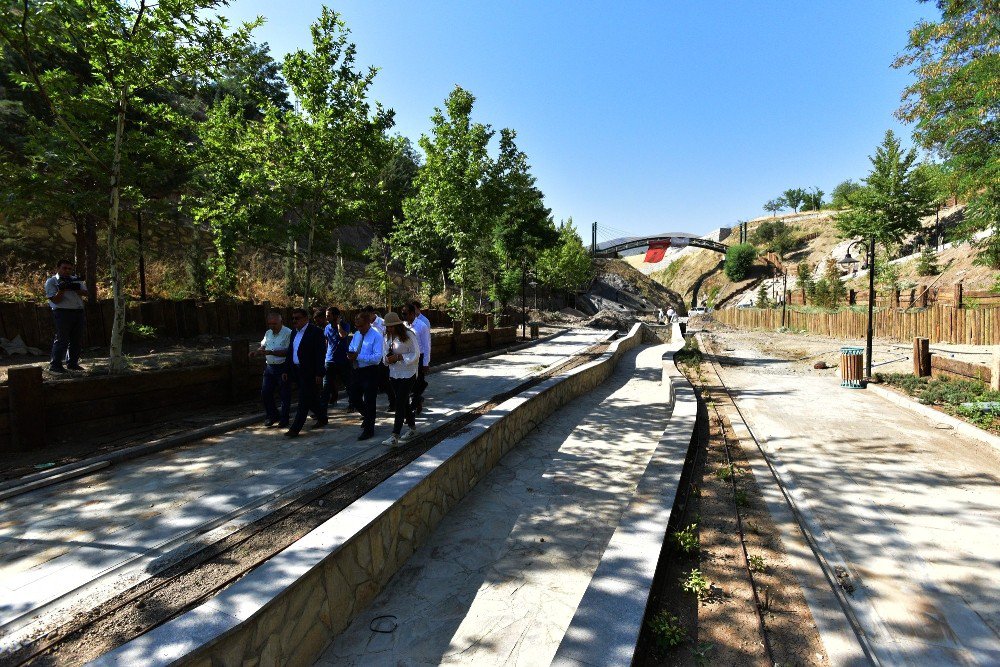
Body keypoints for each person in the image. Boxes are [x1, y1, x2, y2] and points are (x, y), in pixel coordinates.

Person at [282, 308, 326, 437]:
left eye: (298, 318)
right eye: (293, 318)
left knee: (303, 399)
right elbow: (290, 352)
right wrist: (286, 369)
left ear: (306, 318)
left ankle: (295, 428)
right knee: (311, 398)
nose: (295, 320)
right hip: (296, 370)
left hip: (310, 372)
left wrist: (319, 372)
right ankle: (322, 417)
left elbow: (320, 354)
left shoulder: (316, 332)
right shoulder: (294, 333)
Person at [381, 311, 419, 447]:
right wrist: (388, 359)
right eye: (388, 327)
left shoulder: (409, 335)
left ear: (397, 325)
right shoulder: (387, 337)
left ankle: (394, 435)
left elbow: (416, 353)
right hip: (394, 373)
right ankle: (413, 428)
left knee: (399, 402)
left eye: (392, 326)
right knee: (403, 402)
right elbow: (384, 354)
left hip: (408, 373)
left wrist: (400, 357)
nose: (389, 329)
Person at [45, 259, 89, 373]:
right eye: (64, 268)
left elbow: (86, 293)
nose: (67, 271)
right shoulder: (52, 281)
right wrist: (62, 289)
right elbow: (55, 300)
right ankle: (55, 365)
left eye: (69, 268)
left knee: (76, 340)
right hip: (62, 312)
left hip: (78, 312)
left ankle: (72, 363)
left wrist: (74, 288)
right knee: (61, 339)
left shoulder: (76, 280)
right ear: (58, 268)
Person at [347, 312, 383, 440]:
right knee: (354, 396)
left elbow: (377, 357)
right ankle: (368, 417)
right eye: (356, 326)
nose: (359, 329)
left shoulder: (376, 336)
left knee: (369, 400)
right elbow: (352, 346)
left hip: (370, 371)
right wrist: (351, 354)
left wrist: (359, 356)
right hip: (357, 370)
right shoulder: (357, 334)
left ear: (368, 323)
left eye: (361, 326)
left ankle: (369, 429)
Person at [252, 311, 291, 428]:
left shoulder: (288, 333)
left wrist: (271, 352)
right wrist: (257, 351)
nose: (272, 326)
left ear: (281, 322)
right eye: (270, 324)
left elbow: (289, 352)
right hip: (270, 367)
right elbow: (263, 345)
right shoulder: (268, 333)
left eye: (274, 323)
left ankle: (284, 418)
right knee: (265, 392)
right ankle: (272, 415)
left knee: (284, 394)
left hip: (283, 366)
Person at [403, 303, 431, 415]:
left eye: (405, 314)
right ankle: (418, 401)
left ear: (412, 314)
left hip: (420, 357)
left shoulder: (422, 326)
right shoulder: (404, 326)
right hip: (408, 357)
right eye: (402, 314)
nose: (403, 316)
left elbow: (426, 345)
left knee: (417, 383)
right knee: (409, 383)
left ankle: (412, 408)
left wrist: (426, 363)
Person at [319, 307, 342, 415]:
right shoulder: (327, 328)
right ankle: (321, 412)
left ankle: (354, 405)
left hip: (342, 360)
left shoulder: (344, 325)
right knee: (325, 387)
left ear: (335, 316)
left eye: (329, 315)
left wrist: (338, 324)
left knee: (350, 385)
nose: (326, 318)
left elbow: (343, 335)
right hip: (329, 360)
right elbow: (326, 341)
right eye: (326, 315)